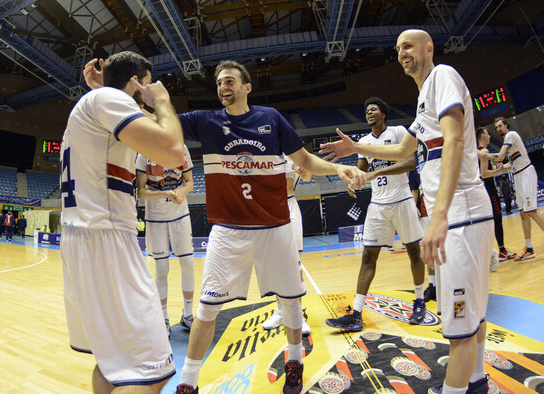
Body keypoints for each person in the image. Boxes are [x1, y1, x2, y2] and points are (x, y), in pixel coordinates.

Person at [83, 58, 365, 394]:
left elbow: (304, 161)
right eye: (219, 83)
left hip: (275, 225)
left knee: (290, 301)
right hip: (229, 230)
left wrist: (338, 170)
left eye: (230, 81)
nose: (223, 87)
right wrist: (106, 92)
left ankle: (294, 361)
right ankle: (188, 381)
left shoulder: (271, 118)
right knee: (207, 308)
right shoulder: (205, 121)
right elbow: (149, 122)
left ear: (247, 87)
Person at [321, 29, 494, 394]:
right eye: (398, 48)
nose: (402, 53)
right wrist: (355, 147)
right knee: (471, 316)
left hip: (460, 212)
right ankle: (477, 382)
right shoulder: (423, 97)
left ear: (428, 49)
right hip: (460, 212)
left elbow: (455, 139)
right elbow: (403, 151)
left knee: (459, 326)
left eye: (409, 46)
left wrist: (440, 215)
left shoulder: (442, 76)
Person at [61, 51, 184, 393]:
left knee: (114, 363)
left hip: (84, 237)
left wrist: (117, 90)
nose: (150, 90)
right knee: (152, 371)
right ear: (135, 82)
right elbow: (173, 150)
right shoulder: (109, 99)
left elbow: (136, 125)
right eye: (146, 83)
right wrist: (162, 100)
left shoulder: (94, 103)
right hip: (107, 241)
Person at [325, 97, 426, 332]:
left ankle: (419, 301)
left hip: (401, 198)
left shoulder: (399, 132)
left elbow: (410, 162)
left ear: (384, 113)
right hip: (378, 203)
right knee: (368, 257)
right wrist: (353, 181)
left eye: (374, 109)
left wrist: (368, 176)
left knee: (414, 251)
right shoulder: (364, 141)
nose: (369, 113)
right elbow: (361, 171)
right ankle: (356, 314)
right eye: (367, 110)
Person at [136, 144, 195, 335]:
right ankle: (163, 318)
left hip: (180, 213)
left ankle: (187, 315)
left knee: (187, 263)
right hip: (156, 217)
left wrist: (181, 192)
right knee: (162, 268)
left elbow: (189, 182)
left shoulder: (180, 148)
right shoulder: (144, 152)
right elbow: (141, 192)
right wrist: (163, 193)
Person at [261, 155, 312, 336]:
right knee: (275, 264)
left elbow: (307, 177)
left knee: (295, 263)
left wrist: (304, 171)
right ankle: (281, 311)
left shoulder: (291, 155)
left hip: (290, 205)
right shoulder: (263, 154)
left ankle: (297, 315)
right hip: (270, 209)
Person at [492, 117, 544, 261]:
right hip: (518, 175)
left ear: (506, 125)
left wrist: (481, 155)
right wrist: (502, 167)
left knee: (532, 212)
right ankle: (529, 248)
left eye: (500, 126)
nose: (498, 129)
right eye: (496, 127)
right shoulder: (508, 143)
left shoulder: (511, 135)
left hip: (526, 173)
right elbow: (511, 163)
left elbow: (500, 156)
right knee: (523, 213)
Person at [476, 127, 517, 267]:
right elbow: (484, 173)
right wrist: (499, 169)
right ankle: (502, 251)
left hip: (485, 188)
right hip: (488, 188)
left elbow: (491, 170)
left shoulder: (481, 151)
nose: (489, 136)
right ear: (482, 136)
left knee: (492, 221)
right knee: (497, 218)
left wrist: (506, 167)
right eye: (487, 133)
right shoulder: (484, 151)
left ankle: (498, 251)